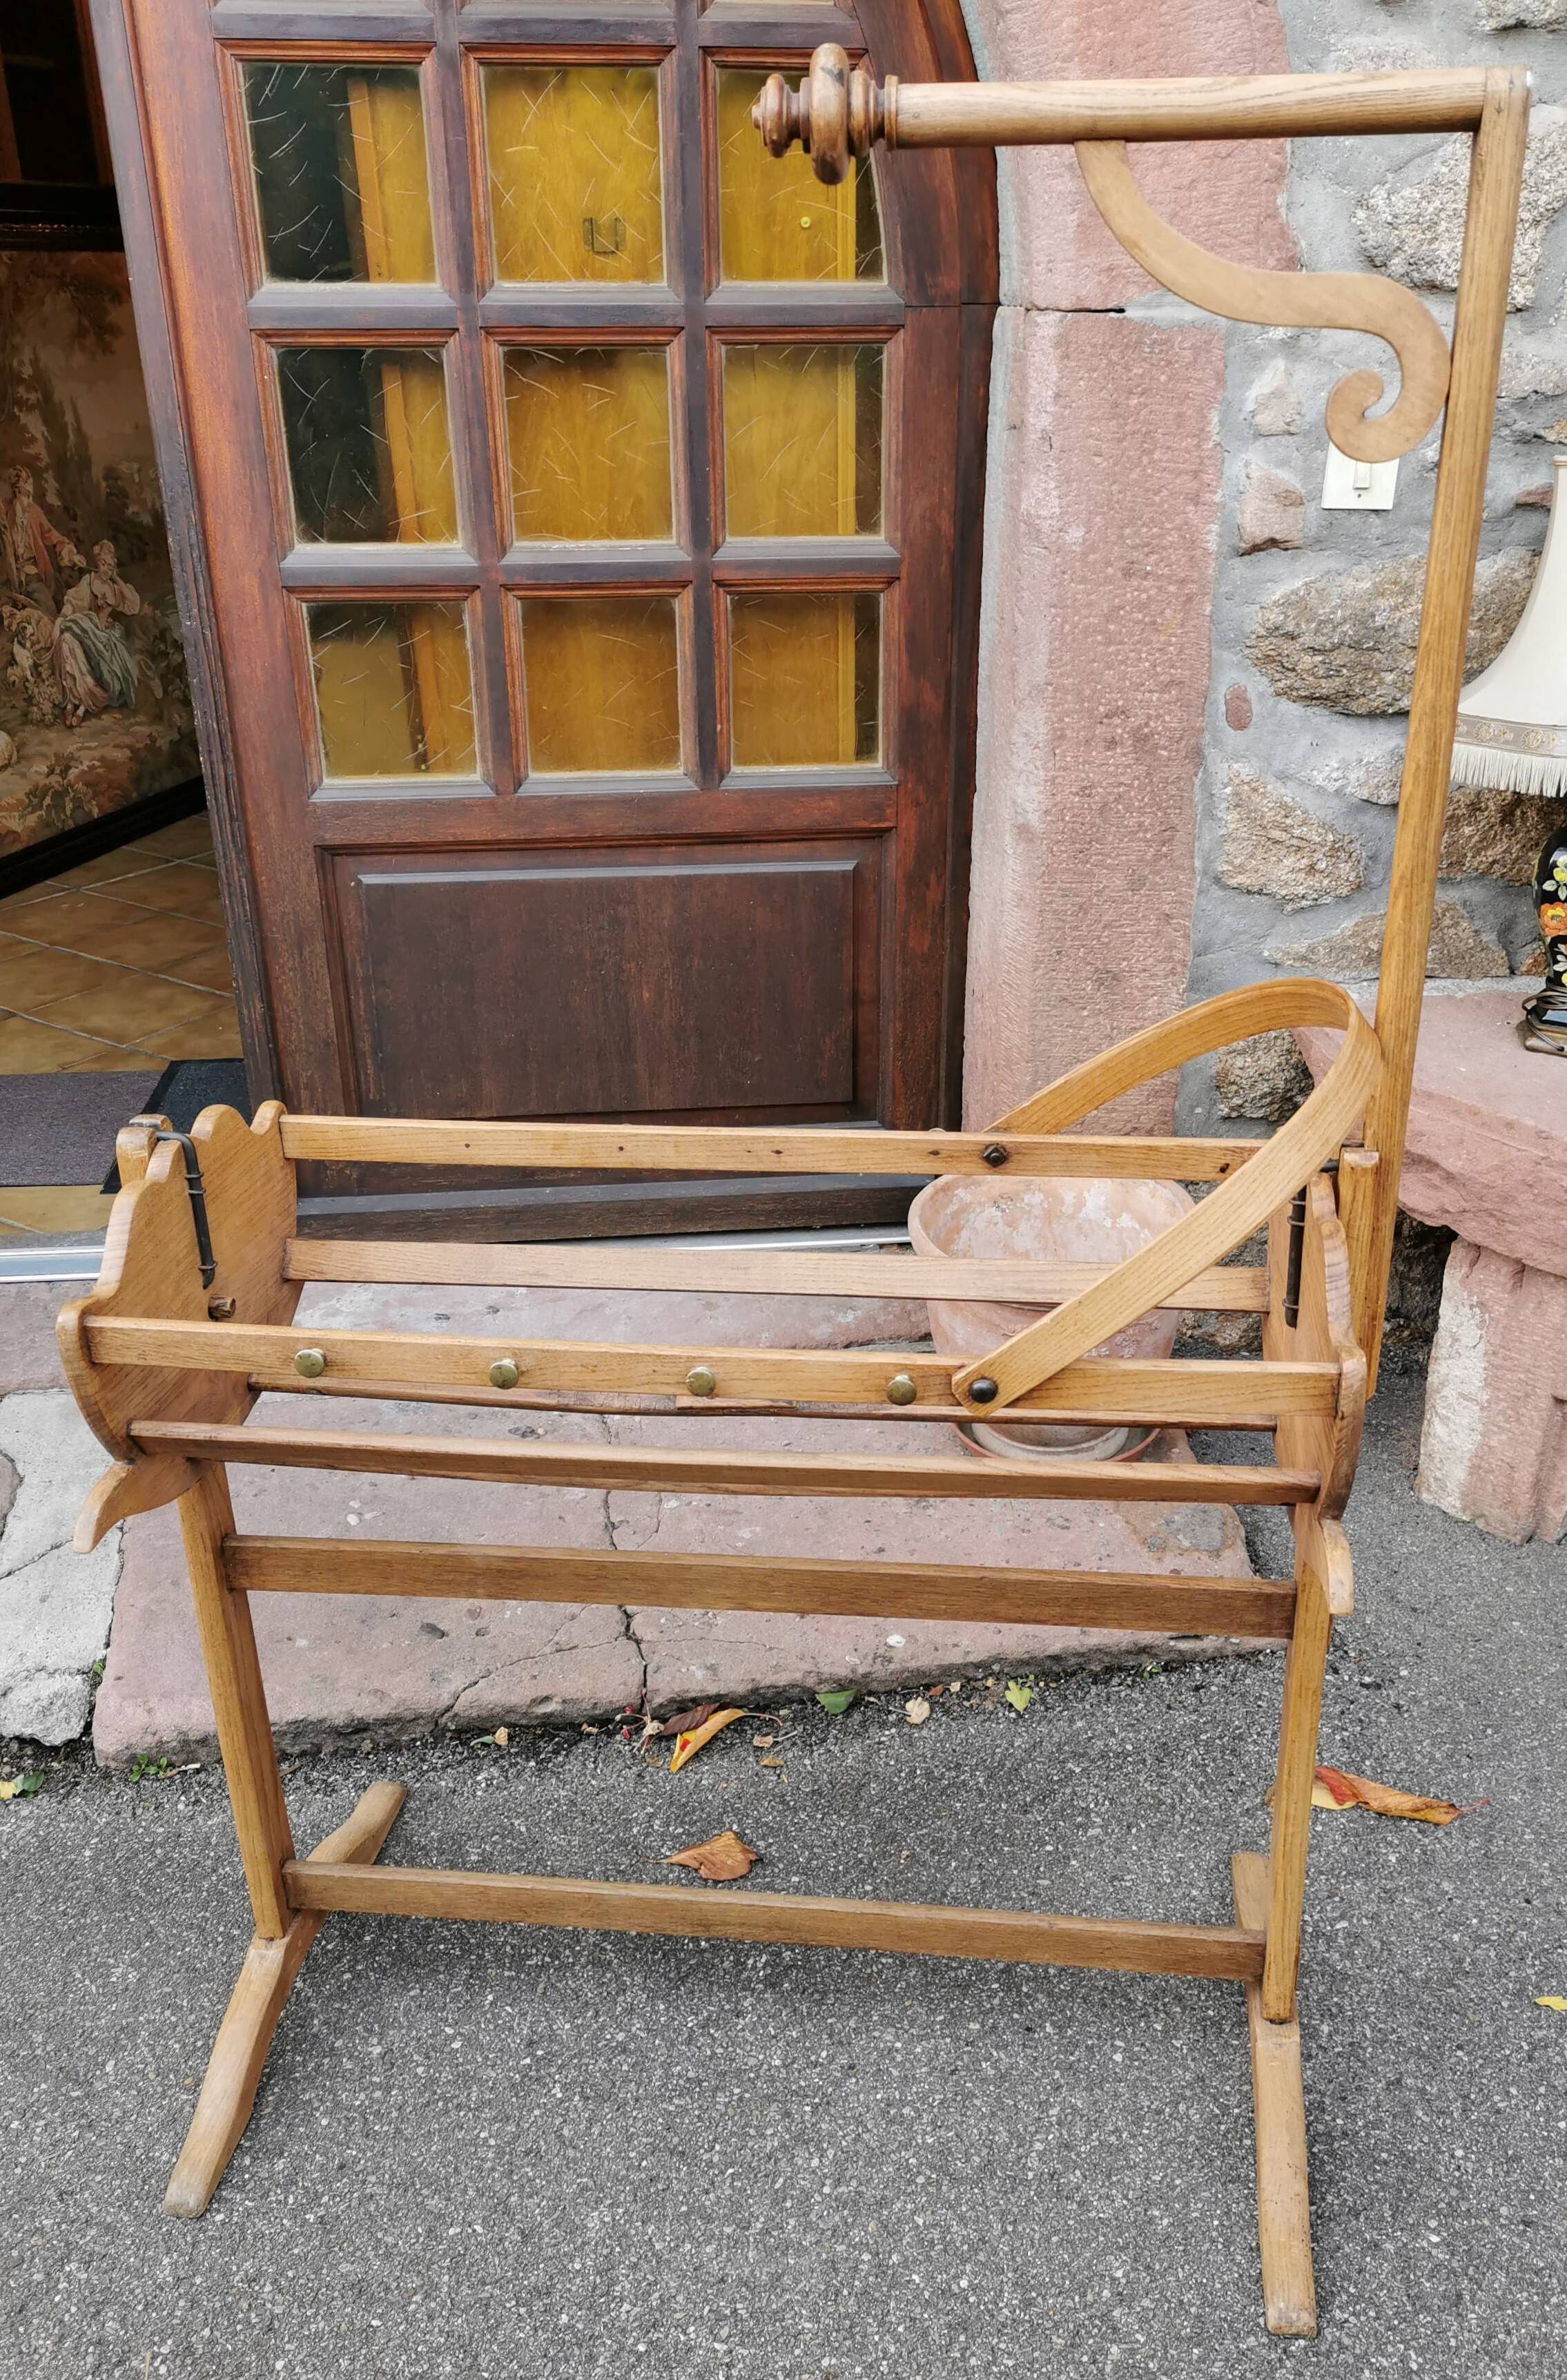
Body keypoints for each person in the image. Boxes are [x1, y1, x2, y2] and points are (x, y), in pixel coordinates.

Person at [53, 540, 142, 725]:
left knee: (101, 650)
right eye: (103, 564)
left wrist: (116, 579)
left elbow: (134, 606)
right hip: (86, 629)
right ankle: (70, 703)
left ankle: (86, 705)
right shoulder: (90, 581)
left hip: (103, 635)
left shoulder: (114, 590)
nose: (106, 569)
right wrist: (62, 618)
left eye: (110, 566)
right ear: (97, 561)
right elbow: (73, 602)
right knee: (66, 641)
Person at [3, 466, 83, 613]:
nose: (31, 485)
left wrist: (71, 555)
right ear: (19, 486)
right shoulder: (4, 510)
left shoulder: (34, 512)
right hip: (6, 578)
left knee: (49, 612)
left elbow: (52, 536)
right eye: (27, 481)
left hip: (31, 576)